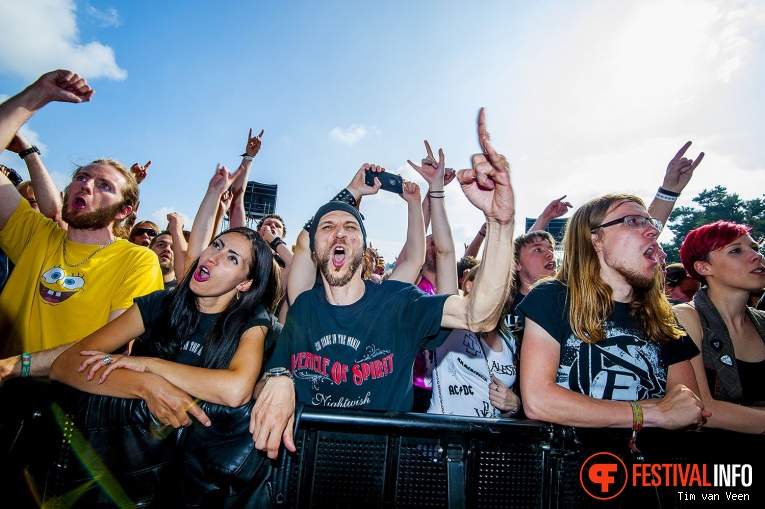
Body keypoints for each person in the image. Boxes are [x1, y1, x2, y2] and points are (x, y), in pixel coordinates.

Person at [250, 108, 516, 459]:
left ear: (363, 246)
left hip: (382, 476)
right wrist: (278, 379)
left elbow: (479, 316)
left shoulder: (398, 302)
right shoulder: (303, 310)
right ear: (314, 247)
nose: (339, 232)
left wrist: (500, 222)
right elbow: (261, 385)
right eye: (327, 228)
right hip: (307, 473)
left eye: (351, 227)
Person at [49, 166, 282, 504]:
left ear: (245, 283)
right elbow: (65, 365)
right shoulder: (161, 303)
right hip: (127, 468)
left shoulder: (253, 321)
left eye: (231, 258)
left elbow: (235, 390)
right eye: (216, 245)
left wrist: (149, 366)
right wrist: (145, 386)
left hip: (198, 483)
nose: (214, 257)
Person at [0, 70, 164, 381]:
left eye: (104, 186)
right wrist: (35, 95)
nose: (85, 185)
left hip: (64, 406)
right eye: (82, 177)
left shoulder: (138, 261)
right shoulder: (34, 232)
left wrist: (15, 366)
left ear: (123, 211)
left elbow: (110, 348)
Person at [518, 193, 710, 434]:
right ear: (595, 239)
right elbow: (540, 401)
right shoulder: (553, 297)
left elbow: (690, 409)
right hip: (573, 465)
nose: (652, 230)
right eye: (633, 221)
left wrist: (584, 408)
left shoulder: (661, 316)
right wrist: (653, 412)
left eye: (652, 223)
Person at [672, 221, 765, 434]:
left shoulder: (763, 322)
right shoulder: (687, 317)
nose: (756, 255)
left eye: (755, 248)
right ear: (703, 268)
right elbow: (702, 408)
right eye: (736, 251)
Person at [428, 264, 521, 418]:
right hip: (447, 434)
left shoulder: (507, 337)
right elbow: (445, 254)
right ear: (469, 286)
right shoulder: (453, 323)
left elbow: (500, 409)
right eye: (490, 283)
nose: (496, 290)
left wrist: (513, 405)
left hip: (489, 437)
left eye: (502, 285)